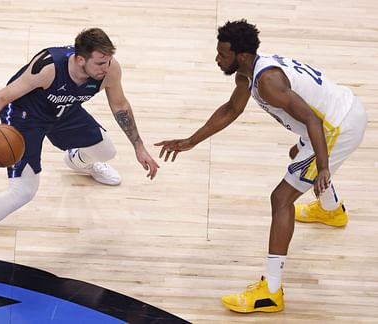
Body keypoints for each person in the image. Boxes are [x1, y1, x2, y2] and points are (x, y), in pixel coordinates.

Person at [155, 19, 367, 313]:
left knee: (281, 198)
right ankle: (331, 211)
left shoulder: (267, 82)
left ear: (241, 56)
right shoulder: (248, 74)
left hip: (336, 127)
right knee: (299, 159)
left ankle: (270, 292)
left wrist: (323, 165)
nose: (217, 59)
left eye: (222, 55)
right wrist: (192, 140)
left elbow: (313, 121)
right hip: (343, 108)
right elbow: (232, 109)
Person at [0, 27, 160, 280]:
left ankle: (78, 160)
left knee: (106, 151)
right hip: (26, 117)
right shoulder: (48, 67)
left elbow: (120, 105)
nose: (106, 67)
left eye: (108, 61)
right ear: (80, 59)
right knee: (23, 190)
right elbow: (1, 96)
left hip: (64, 111)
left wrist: (139, 146)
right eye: (100, 63)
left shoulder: (110, 70)